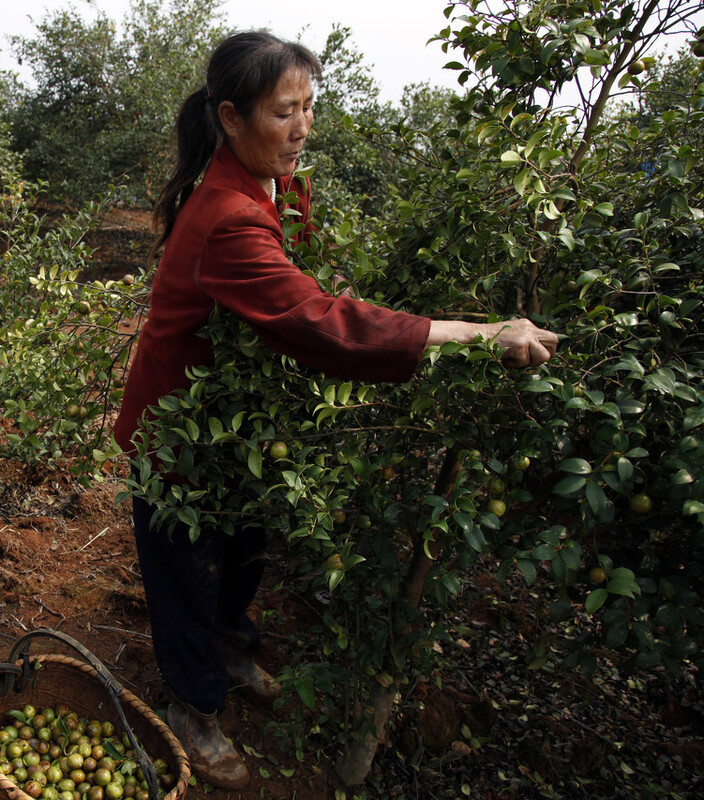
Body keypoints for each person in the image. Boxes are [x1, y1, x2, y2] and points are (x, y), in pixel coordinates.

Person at [113, 31, 559, 790]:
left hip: (235, 421)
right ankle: (193, 705)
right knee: (186, 568)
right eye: (285, 112)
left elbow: (295, 276)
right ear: (229, 117)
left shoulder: (270, 182)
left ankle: (230, 646)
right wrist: (480, 335)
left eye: (309, 108)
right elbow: (324, 323)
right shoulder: (225, 214)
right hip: (178, 433)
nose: (302, 128)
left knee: (244, 545)